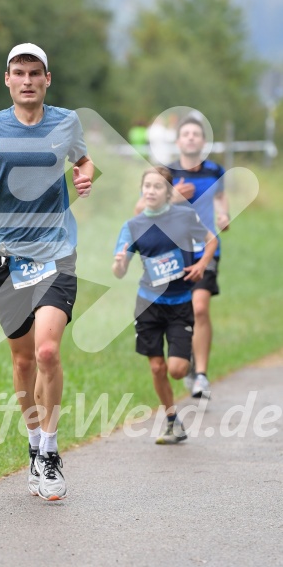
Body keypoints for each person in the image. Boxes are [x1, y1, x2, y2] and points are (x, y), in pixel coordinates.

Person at [0, 43, 94, 500]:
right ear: (8, 79)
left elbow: (82, 158)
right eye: (20, 72)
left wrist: (84, 174)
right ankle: (34, 446)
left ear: (47, 79)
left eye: (36, 72)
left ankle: (52, 452)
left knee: (48, 351)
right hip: (6, 256)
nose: (28, 80)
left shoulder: (66, 122)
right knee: (22, 360)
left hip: (56, 251)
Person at [113, 167, 217, 444]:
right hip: (148, 304)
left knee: (177, 370)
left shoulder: (184, 217)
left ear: (168, 192)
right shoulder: (133, 226)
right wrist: (120, 261)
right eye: (146, 186)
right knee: (158, 368)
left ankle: (190, 362)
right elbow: (118, 271)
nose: (150, 191)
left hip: (180, 302)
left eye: (157, 187)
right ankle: (172, 420)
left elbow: (211, 241)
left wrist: (202, 264)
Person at [134, 116, 229, 399]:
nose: (190, 138)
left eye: (196, 134)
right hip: (172, 254)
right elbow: (140, 209)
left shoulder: (215, 171)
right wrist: (173, 197)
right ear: (177, 141)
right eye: (185, 133)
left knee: (200, 308)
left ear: (203, 141)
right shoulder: (167, 172)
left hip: (205, 249)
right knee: (181, 310)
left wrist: (224, 214)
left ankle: (200, 374)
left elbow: (222, 201)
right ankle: (184, 358)